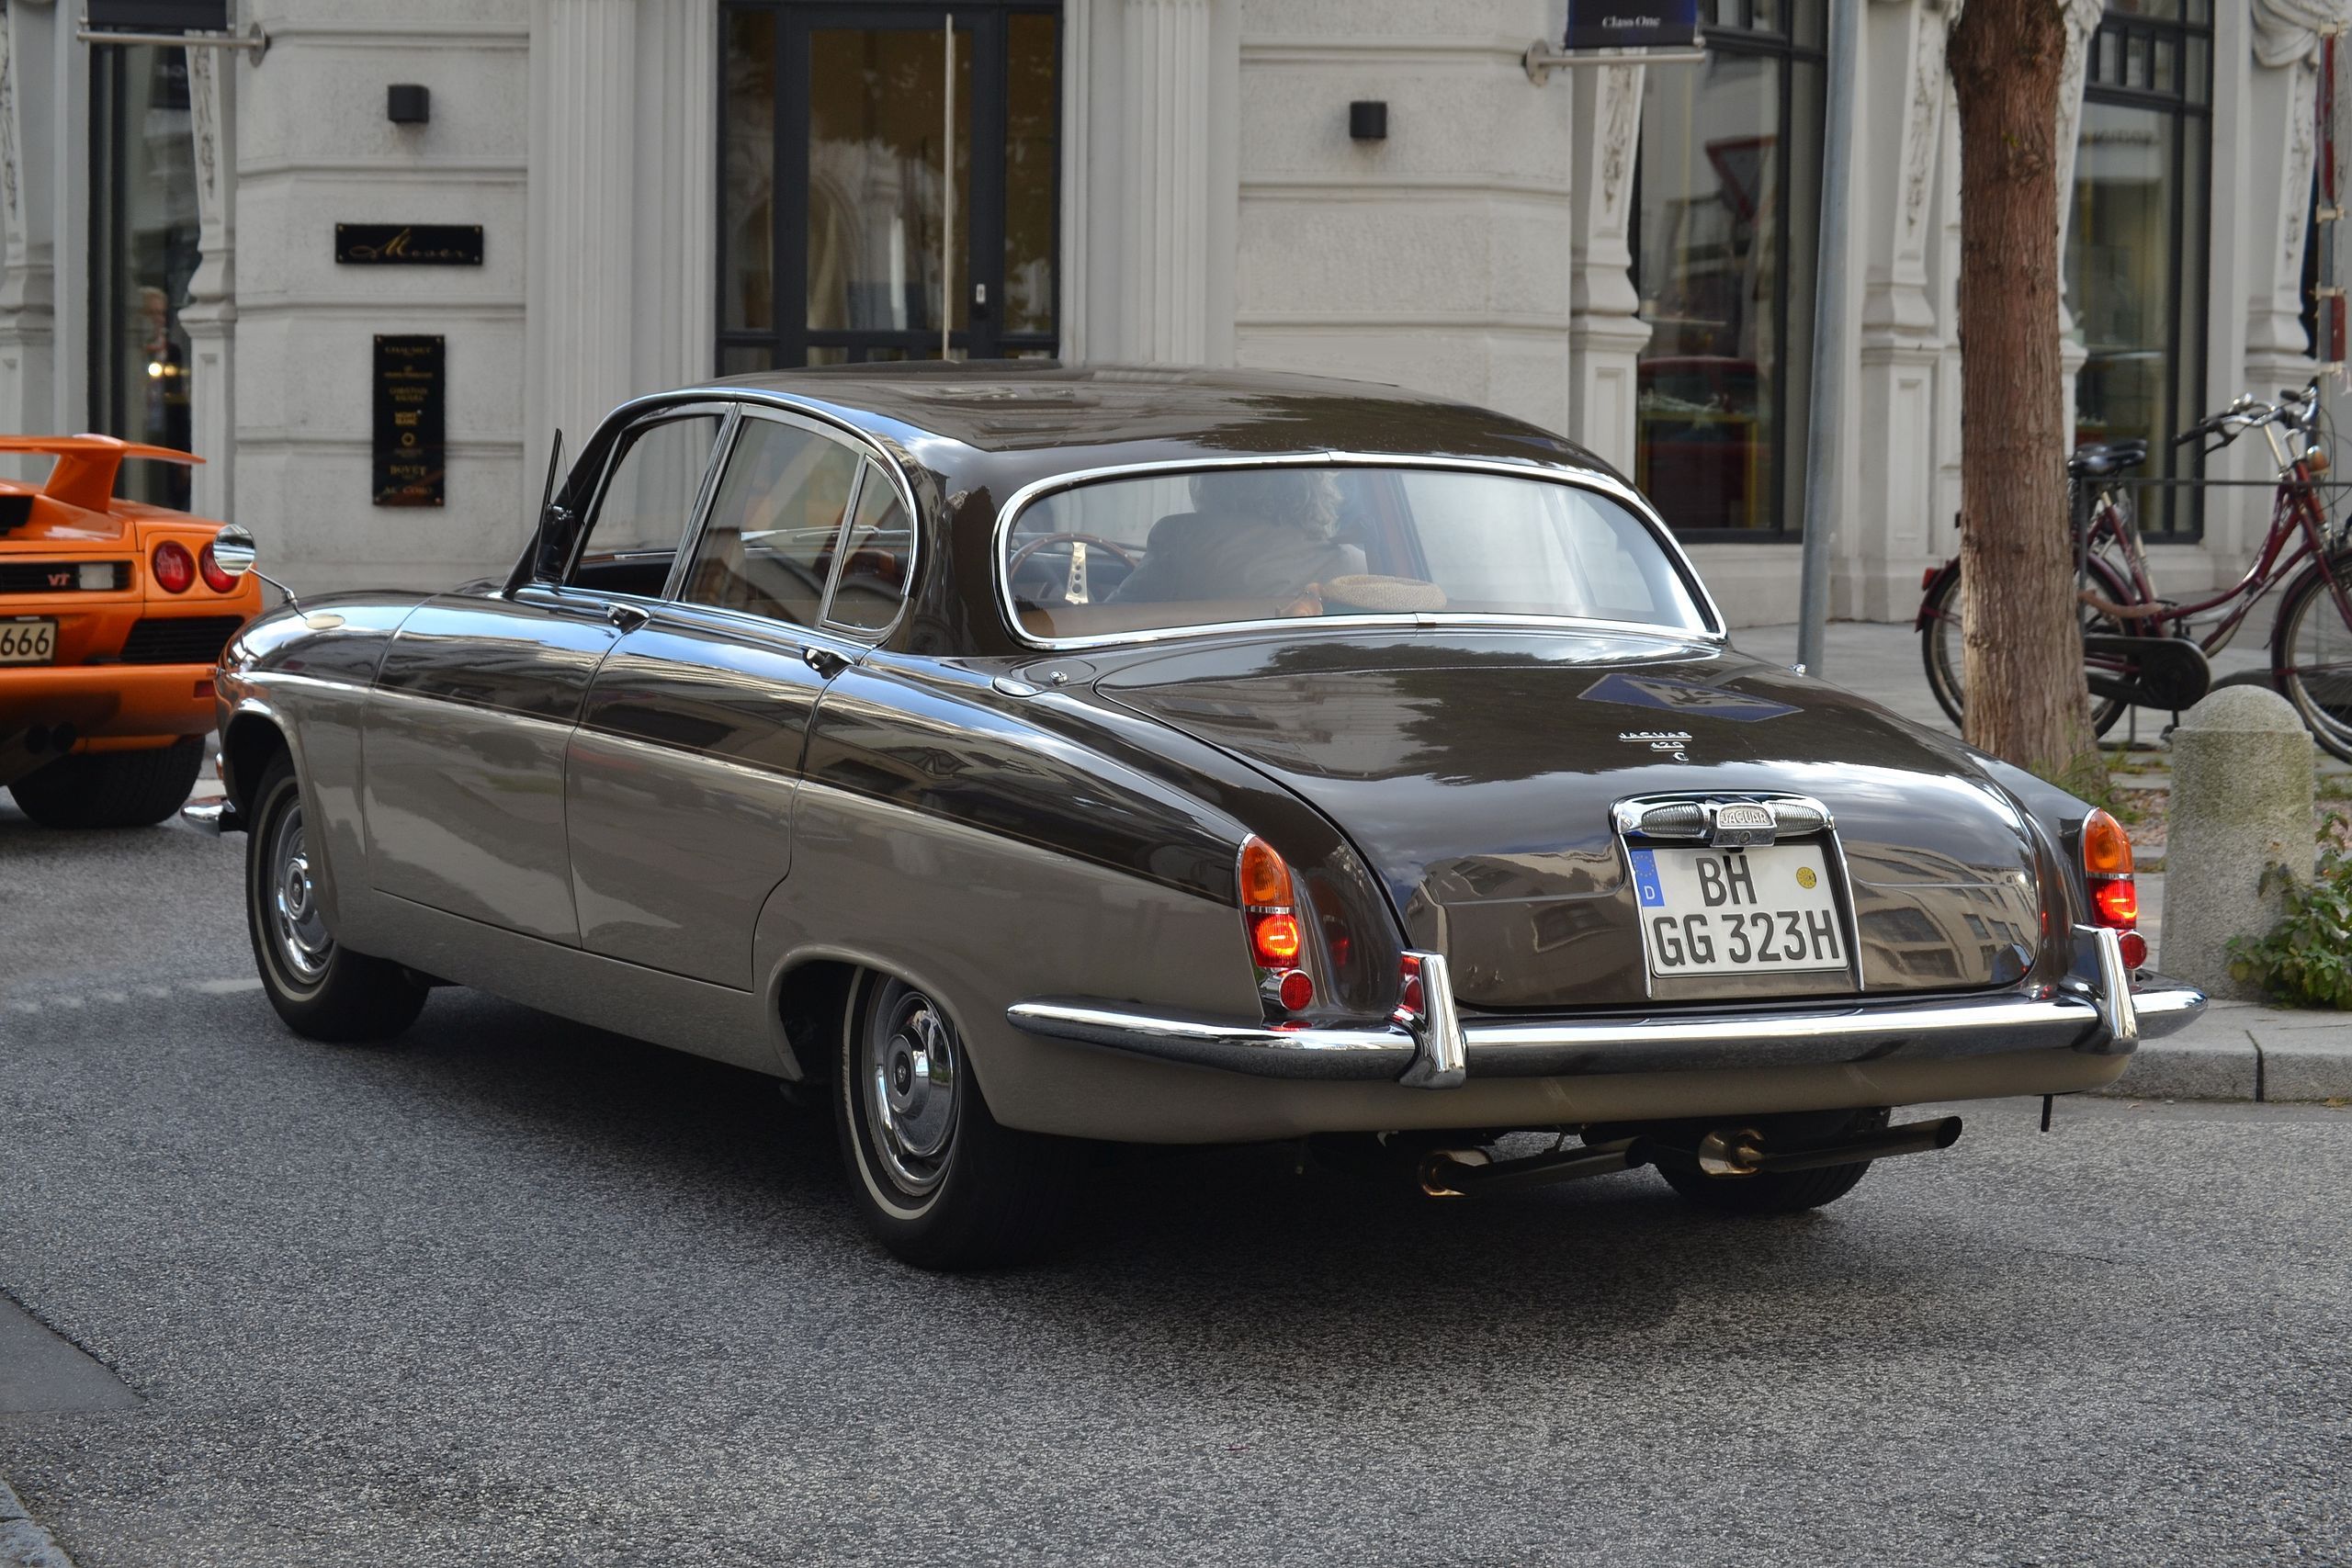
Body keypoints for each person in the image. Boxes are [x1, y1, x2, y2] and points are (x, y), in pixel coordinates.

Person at [1109, 469, 1365, 607]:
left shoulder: (1183, 540)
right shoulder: (1354, 567)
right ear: (1317, 489)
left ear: (1213, 483)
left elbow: (1113, 620)